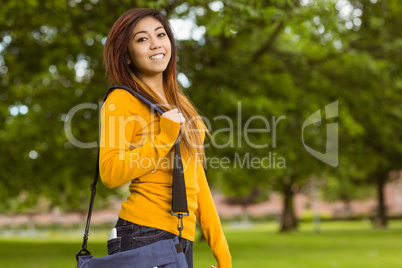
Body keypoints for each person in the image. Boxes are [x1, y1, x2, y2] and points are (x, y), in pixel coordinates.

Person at [100, 8, 232, 268]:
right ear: (126, 54)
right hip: (143, 234)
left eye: (160, 34)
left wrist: (222, 253)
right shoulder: (121, 100)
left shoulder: (179, 104)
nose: (155, 44)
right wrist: (162, 138)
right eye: (142, 39)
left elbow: (198, 184)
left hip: (182, 236)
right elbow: (110, 172)